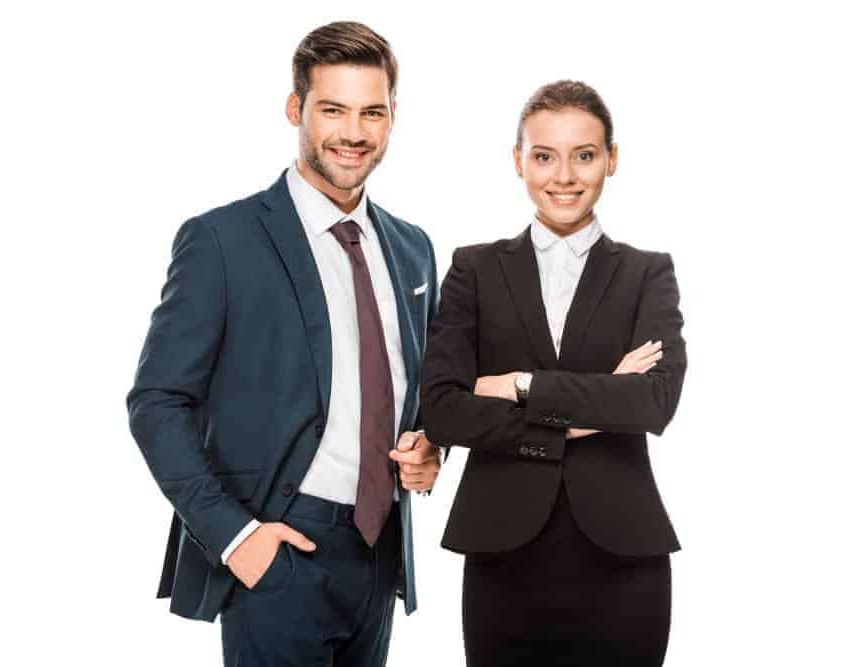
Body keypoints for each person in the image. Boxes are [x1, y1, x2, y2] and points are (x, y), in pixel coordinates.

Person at [126, 21, 442, 666]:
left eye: (371, 112)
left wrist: (430, 444)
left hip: (381, 554)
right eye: (333, 109)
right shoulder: (221, 240)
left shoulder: (412, 248)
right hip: (278, 548)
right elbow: (157, 401)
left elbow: (418, 389)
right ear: (296, 108)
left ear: (392, 118)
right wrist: (234, 535)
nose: (353, 133)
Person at [419, 80, 687, 666]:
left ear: (610, 160)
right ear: (519, 161)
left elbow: (653, 402)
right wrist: (594, 404)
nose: (563, 175)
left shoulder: (647, 274)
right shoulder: (475, 269)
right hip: (501, 556)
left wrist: (520, 387)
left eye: (584, 155)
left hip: (625, 558)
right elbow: (441, 406)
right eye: (544, 155)